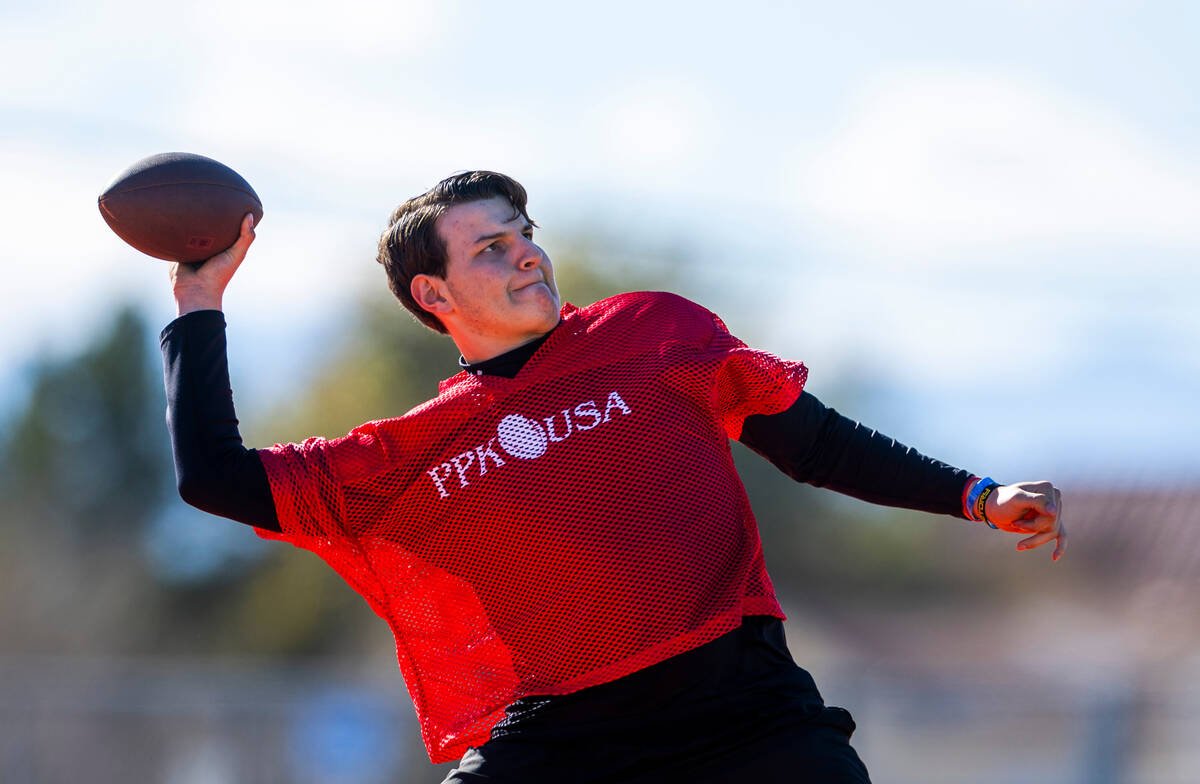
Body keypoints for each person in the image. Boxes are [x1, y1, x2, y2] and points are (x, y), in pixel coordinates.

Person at [161, 171, 1066, 783]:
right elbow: (217, 478)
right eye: (487, 248)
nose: (525, 253)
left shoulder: (653, 333)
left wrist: (981, 498)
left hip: (746, 717)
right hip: (569, 740)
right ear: (433, 297)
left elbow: (817, 444)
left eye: (524, 234)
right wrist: (200, 305)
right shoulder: (414, 453)